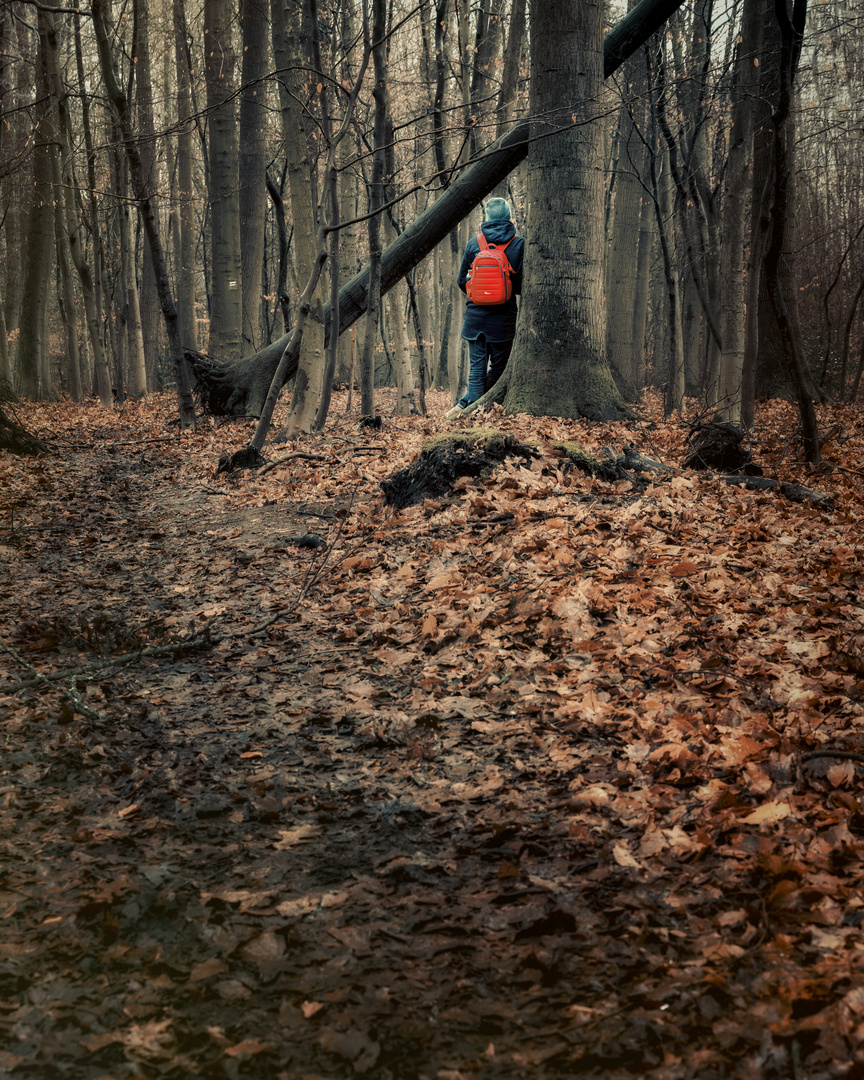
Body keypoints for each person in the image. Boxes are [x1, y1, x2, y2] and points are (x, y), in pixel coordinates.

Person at [445, 197, 525, 420]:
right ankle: (472, 408)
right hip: (504, 319)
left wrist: (479, 296)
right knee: (499, 369)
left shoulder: (474, 243)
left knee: (477, 369)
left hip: (475, 319)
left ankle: (467, 408)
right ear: (508, 217)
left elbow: (462, 280)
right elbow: (520, 287)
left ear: (487, 218)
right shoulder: (518, 244)